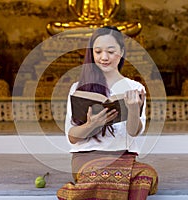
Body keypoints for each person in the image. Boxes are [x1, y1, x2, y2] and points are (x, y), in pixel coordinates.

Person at [57, 26, 158, 200]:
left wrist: (133, 109)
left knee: (147, 174)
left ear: (122, 52)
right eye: (98, 52)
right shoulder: (79, 88)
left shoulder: (135, 88)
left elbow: (134, 132)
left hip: (124, 158)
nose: (104, 57)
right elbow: (72, 137)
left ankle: (83, 192)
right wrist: (92, 125)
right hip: (87, 159)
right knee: (109, 177)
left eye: (111, 52)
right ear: (92, 53)